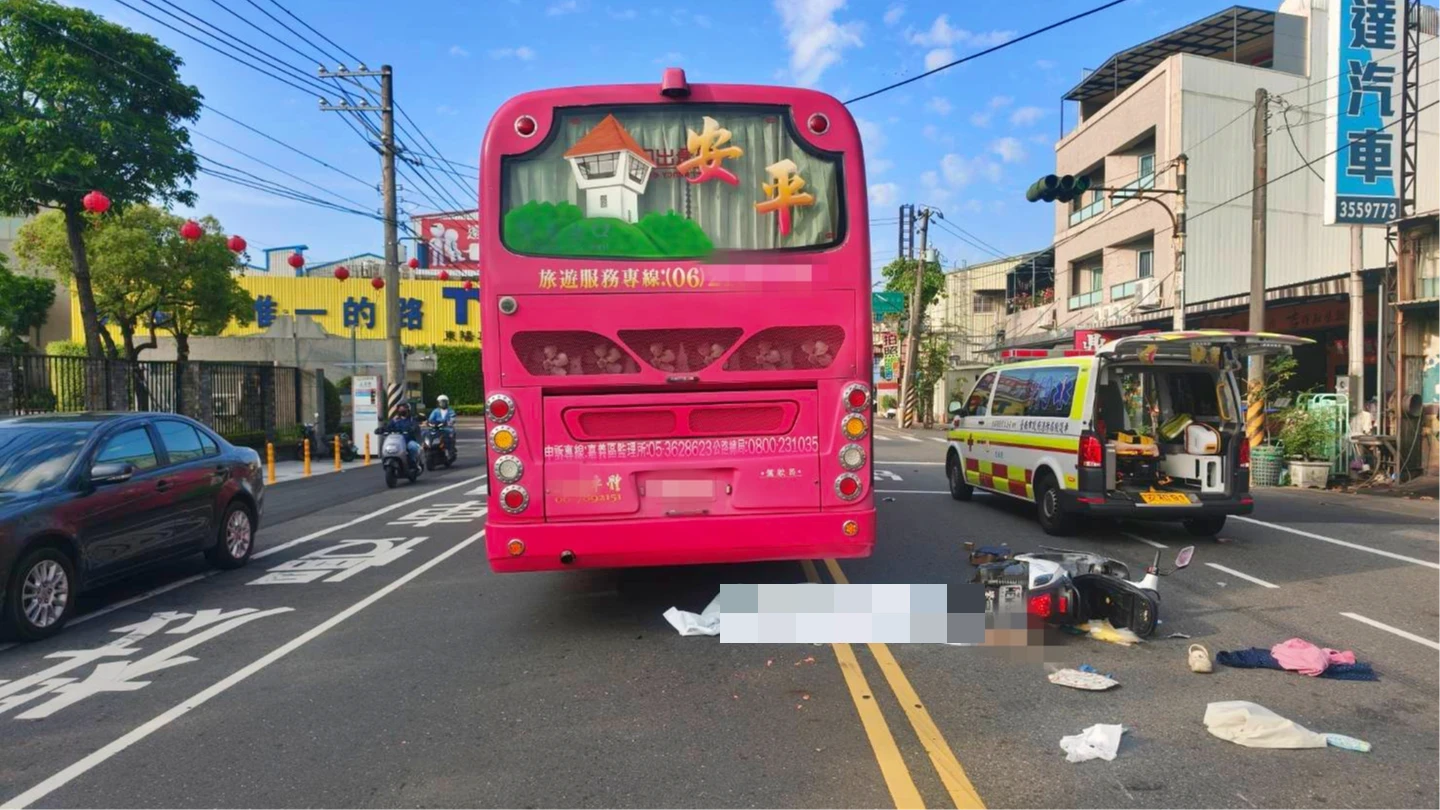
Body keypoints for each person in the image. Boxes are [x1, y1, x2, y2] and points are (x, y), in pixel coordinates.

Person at [379, 403, 421, 469]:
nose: (402, 410)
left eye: (403, 409)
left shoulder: (412, 419)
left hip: (408, 441)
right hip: (396, 442)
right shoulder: (395, 420)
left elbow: (415, 426)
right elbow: (388, 427)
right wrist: (381, 429)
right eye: (400, 409)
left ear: (408, 410)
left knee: (413, 447)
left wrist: (412, 428)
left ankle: (413, 463)